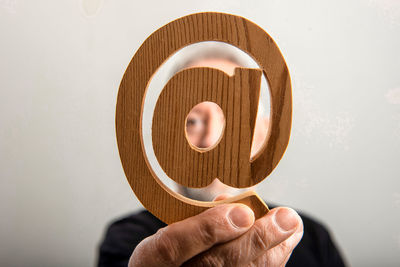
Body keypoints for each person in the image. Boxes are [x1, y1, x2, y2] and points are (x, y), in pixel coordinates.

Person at [98, 44, 346, 266]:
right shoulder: (127, 240)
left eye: (235, 119)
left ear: (265, 134)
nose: (210, 141)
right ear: (162, 134)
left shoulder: (314, 240)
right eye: (192, 120)